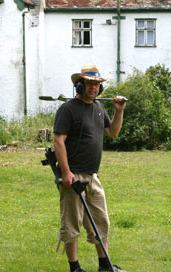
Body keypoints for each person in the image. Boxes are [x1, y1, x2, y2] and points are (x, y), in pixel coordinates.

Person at [53, 64, 127, 272]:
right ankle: (74, 268)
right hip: (73, 175)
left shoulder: (98, 108)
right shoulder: (67, 109)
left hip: (92, 176)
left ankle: (105, 265)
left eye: (96, 84)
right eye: (89, 84)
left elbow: (112, 132)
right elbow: (59, 142)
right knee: (72, 223)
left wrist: (118, 112)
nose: (93, 88)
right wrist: (66, 173)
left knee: (101, 221)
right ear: (80, 85)